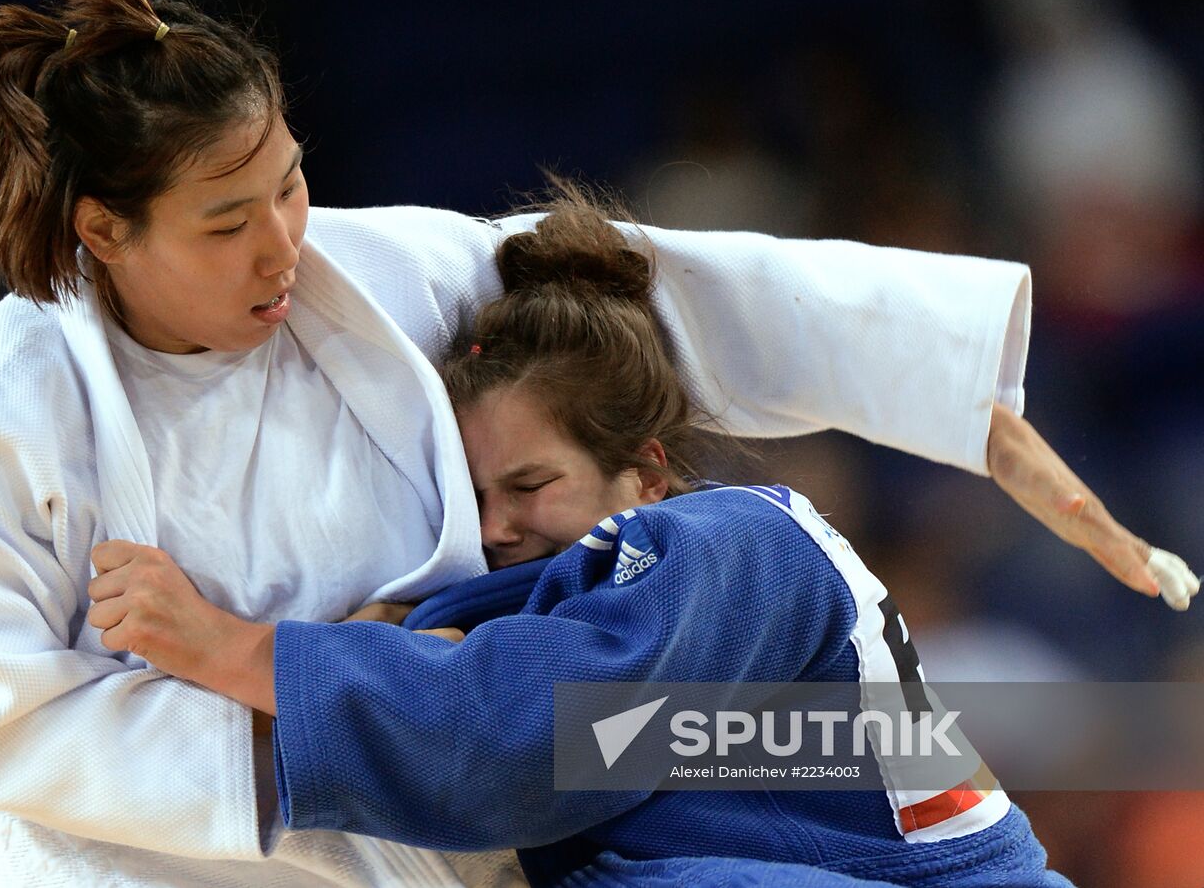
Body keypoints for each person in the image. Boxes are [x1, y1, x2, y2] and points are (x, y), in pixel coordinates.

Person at [0, 0, 1192, 888]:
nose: (284, 242)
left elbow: (651, 290)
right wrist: (346, 714)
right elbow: (6, 735)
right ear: (104, 231)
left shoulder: (398, 297)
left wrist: (967, 402)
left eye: (292, 183)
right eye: (226, 221)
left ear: (647, 470)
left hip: (473, 807)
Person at [94, 191, 1155, 886]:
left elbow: (537, 734)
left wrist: (233, 649)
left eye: (530, 483)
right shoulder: (594, 606)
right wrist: (404, 641)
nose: (497, 524)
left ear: (643, 470)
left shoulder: (738, 542)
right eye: (473, 496)